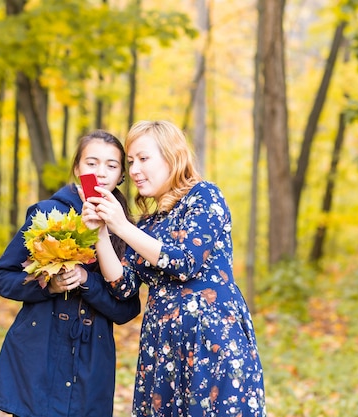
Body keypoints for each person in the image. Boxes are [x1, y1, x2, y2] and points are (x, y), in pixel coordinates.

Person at [81, 120, 266, 417]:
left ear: (172, 155)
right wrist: (101, 233)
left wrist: (122, 226)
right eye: (130, 162)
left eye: (143, 158)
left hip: (210, 341)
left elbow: (184, 262)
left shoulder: (203, 196)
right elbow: (123, 285)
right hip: (162, 348)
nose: (135, 170)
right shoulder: (148, 224)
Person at [0, 130, 141, 417]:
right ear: (77, 168)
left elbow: (127, 309)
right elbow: (2, 277)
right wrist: (49, 286)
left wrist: (87, 281)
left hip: (91, 359)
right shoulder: (47, 214)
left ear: (121, 174)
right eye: (91, 163)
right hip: (39, 352)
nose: (100, 173)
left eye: (111, 165)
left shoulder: (127, 228)